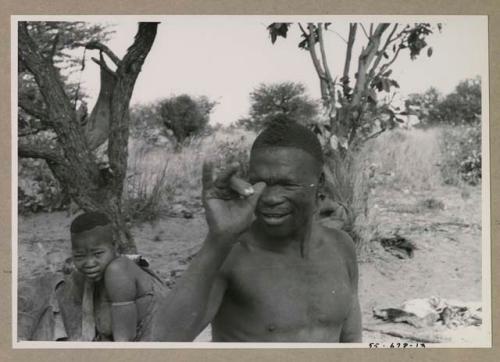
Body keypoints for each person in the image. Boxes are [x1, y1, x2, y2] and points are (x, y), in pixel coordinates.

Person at [154, 117, 362, 342]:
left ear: (319, 182)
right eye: (260, 182)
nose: (271, 198)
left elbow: (351, 339)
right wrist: (218, 239)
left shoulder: (341, 247)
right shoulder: (232, 254)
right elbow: (162, 343)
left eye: (287, 184)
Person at [23, 212, 170, 341]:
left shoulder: (119, 270)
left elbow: (124, 344)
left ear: (115, 246)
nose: (89, 263)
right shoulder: (88, 280)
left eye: (98, 254)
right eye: (79, 256)